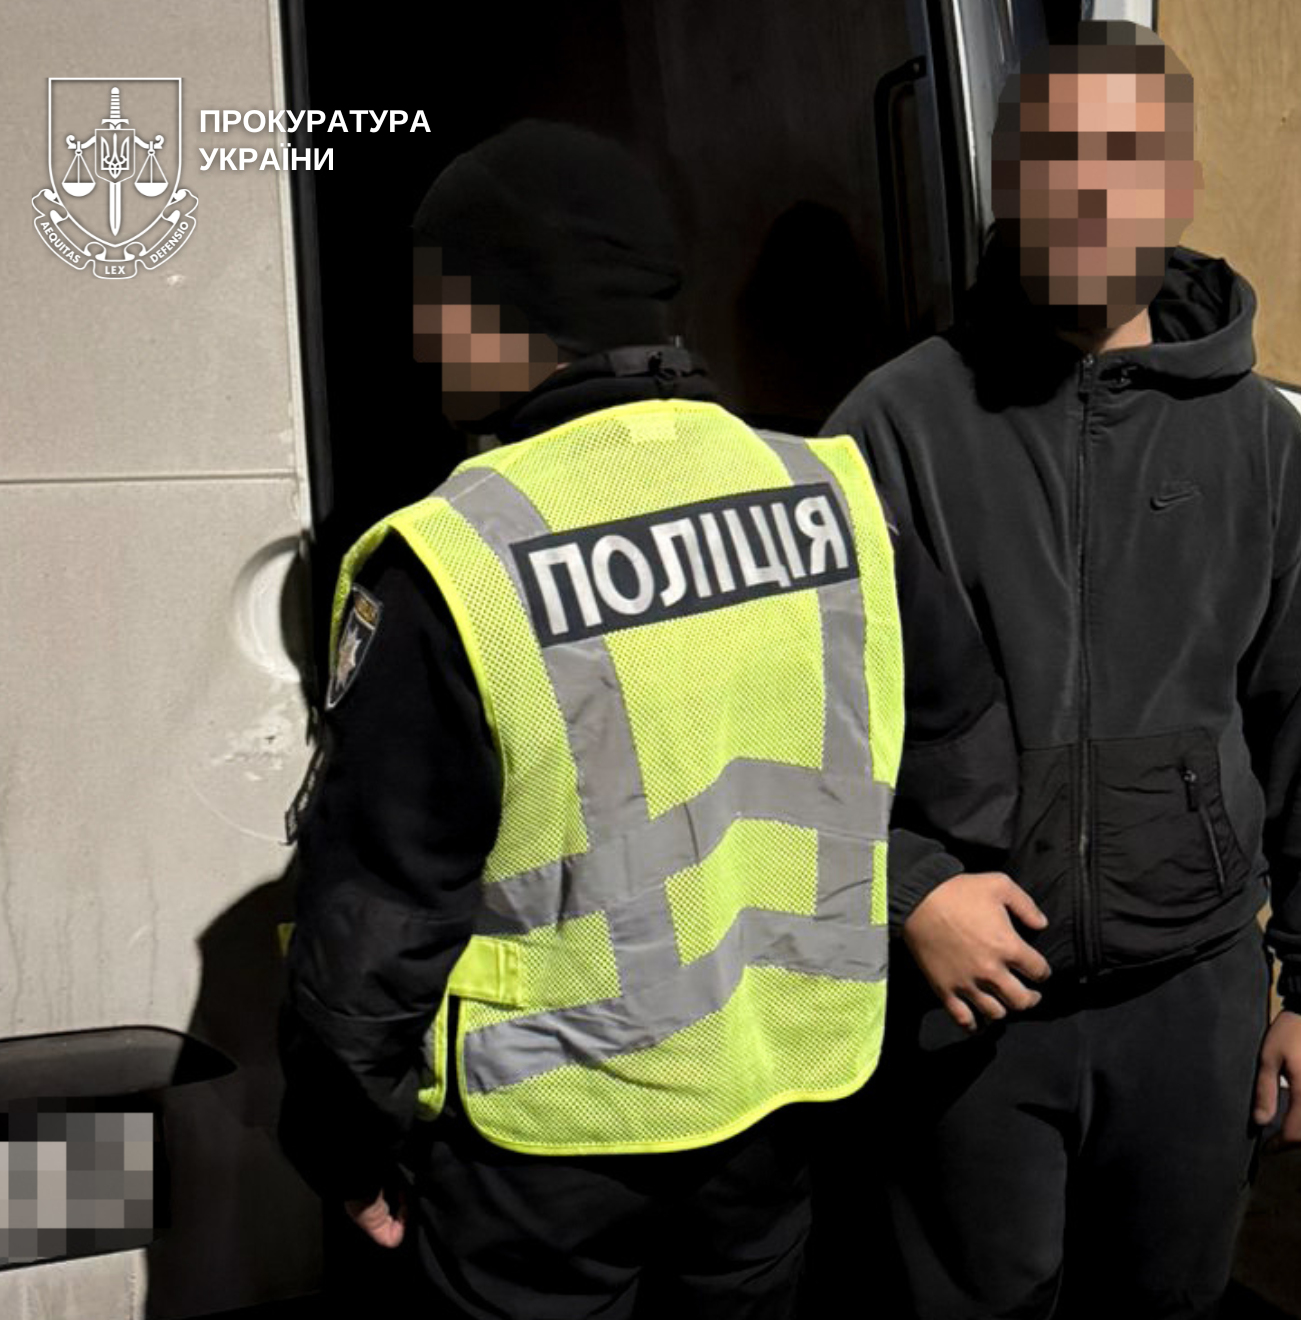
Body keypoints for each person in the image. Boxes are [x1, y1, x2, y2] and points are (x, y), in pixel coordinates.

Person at [276, 121, 1009, 1320]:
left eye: (433, 301)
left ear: (496, 307)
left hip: (542, 1146)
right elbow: (965, 758)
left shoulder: (461, 557)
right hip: (775, 1103)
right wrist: (911, 896)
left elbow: (380, 910)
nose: (420, 337)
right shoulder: (827, 495)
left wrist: (342, 1137)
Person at [820, 22, 1301, 1319]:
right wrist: (909, 888)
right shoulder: (891, 427)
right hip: (962, 1014)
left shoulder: (1262, 444)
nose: (1086, 190)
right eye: (1051, 156)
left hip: (1192, 999)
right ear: (1004, 182)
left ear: (1177, 185)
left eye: (1123, 156)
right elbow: (802, 728)